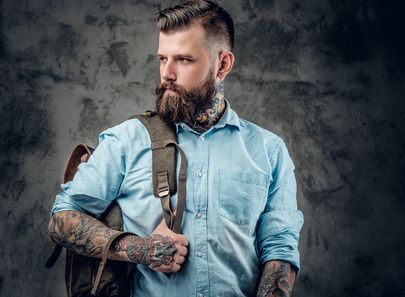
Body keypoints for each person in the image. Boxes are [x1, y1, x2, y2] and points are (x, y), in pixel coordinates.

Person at [48, 1, 304, 296]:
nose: (166, 73)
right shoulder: (127, 141)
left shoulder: (269, 151)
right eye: (162, 59)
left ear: (222, 64)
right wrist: (138, 248)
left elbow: (279, 250)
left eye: (183, 60)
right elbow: (61, 218)